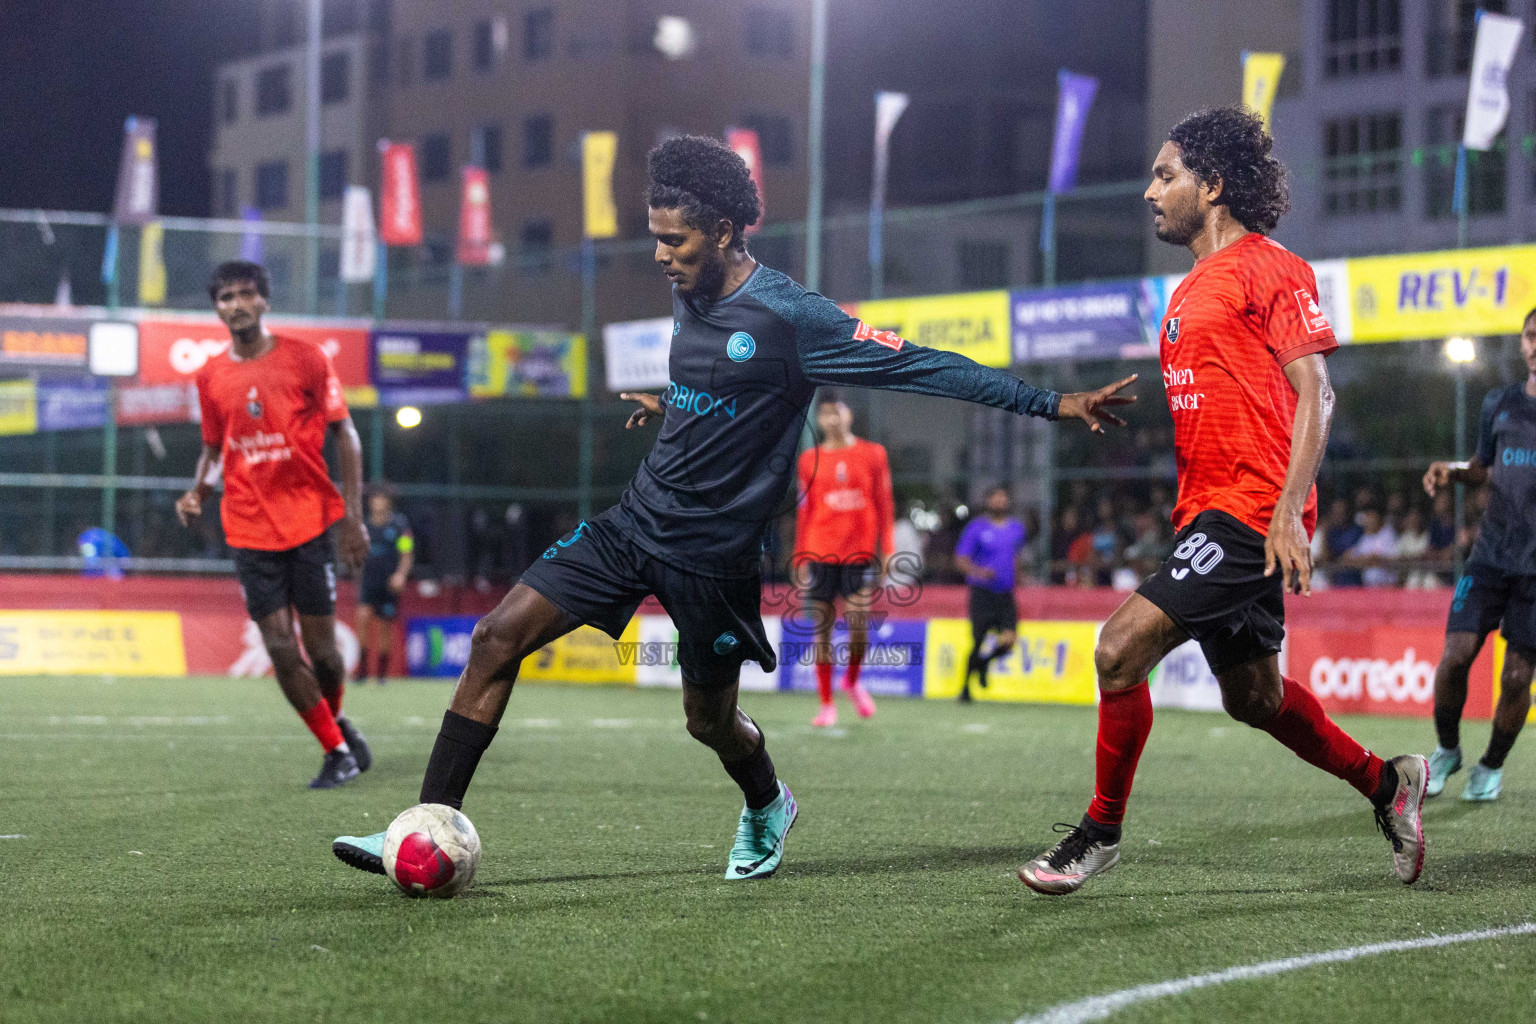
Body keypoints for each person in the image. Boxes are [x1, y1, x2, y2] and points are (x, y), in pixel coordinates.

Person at [333, 134, 1135, 883]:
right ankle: (424, 820)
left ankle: (766, 801)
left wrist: (1052, 403)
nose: (660, 256)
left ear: (722, 230)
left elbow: (925, 368)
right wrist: (676, 403)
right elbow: (718, 388)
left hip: (713, 560)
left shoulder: (794, 317)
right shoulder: (690, 292)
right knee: (496, 636)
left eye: (673, 240)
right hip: (635, 521)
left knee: (709, 722)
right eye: (654, 237)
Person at [1018, 108, 1426, 896]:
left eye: (1165, 175)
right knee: (1254, 697)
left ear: (1212, 185)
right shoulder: (1189, 290)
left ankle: (1097, 834)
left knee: (1116, 649)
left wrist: (1286, 510)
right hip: (1211, 513)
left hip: (1248, 516)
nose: (1149, 191)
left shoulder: (1270, 267)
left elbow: (1320, 390)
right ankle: (1387, 784)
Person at [176, 260, 372, 789]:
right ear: (216, 308)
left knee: (327, 656)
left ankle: (336, 726)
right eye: (225, 297)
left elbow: (345, 436)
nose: (235, 304)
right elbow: (214, 449)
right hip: (246, 526)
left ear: (264, 301)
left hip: (308, 520)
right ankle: (336, 750)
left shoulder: (307, 360)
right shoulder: (210, 375)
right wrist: (198, 490)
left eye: (245, 293)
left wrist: (352, 516)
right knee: (281, 649)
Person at [1421, 306, 1536, 802]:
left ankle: (1490, 766)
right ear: (1523, 343)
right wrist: (1452, 470)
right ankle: (1448, 750)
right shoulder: (1500, 402)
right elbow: (1482, 468)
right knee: (1454, 658)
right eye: (1530, 335)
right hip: (1490, 558)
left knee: (1516, 678)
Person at [793, 394, 894, 727]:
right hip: (820, 549)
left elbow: (884, 504)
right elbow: (805, 510)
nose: (831, 419)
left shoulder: (873, 453)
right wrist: (800, 555)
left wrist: (888, 548)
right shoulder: (808, 459)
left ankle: (851, 680)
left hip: (858, 551)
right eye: (824, 414)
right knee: (821, 629)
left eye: (837, 412)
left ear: (849, 415)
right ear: (818, 420)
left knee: (859, 621)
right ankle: (826, 704)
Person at [953, 487, 1027, 701]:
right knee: (978, 640)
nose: (1000, 502)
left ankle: (984, 665)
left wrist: (1019, 578)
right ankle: (965, 688)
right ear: (988, 501)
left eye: (1003, 498)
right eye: (996, 498)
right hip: (982, 592)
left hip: (1005, 593)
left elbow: (1016, 557)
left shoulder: (1016, 528)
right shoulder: (976, 528)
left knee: (1009, 640)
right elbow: (960, 560)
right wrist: (979, 572)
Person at [355, 487, 413, 684]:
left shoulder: (399, 525)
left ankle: (381, 675)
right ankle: (361, 672)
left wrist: (401, 575)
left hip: (389, 584)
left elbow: (407, 553)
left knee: (385, 627)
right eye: (375, 498)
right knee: (362, 619)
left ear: (388, 501)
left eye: (381, 498)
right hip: (368, 582)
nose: (377, 501)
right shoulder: (364, 524)